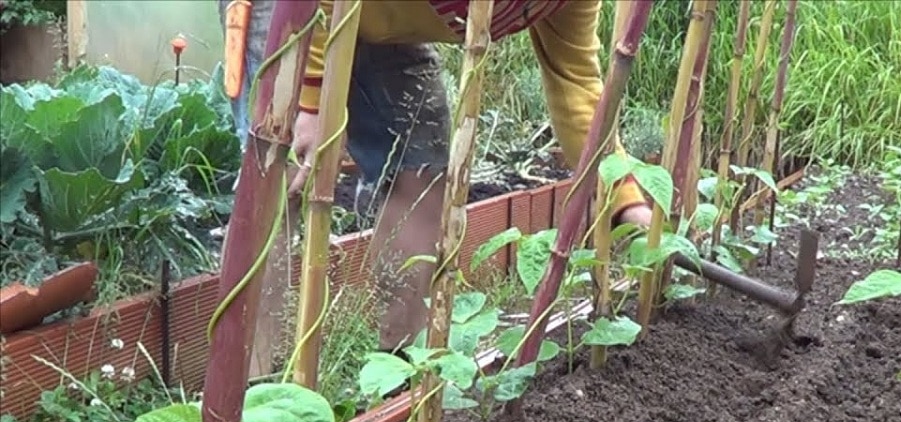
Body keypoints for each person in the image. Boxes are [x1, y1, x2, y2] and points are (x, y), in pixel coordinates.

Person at [219, 0, 653, 358]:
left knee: (422, 166)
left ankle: (397, 368)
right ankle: (249, 392)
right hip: (290, 9)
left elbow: (577, 84)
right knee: (281, 174)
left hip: (380, 18)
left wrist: (626, 200)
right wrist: (310, 101)